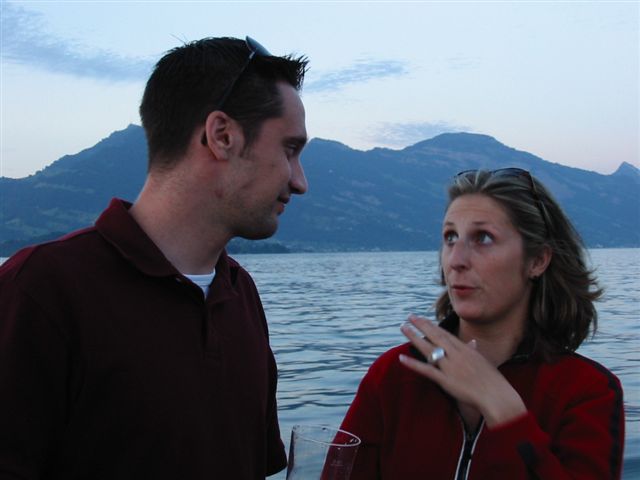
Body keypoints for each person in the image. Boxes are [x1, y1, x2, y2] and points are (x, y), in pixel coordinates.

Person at [0, 36, 309, 479]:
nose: (300, 181)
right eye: (290, 150)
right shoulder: (40, 291)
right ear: (221, 136)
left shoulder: (240, 294)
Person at [340, 168, 625, 479]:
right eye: (450, 237)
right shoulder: (395, 376)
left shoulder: (587, 392)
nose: (456, 260)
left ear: (537, 260)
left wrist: (504, 410)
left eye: (483, 238)